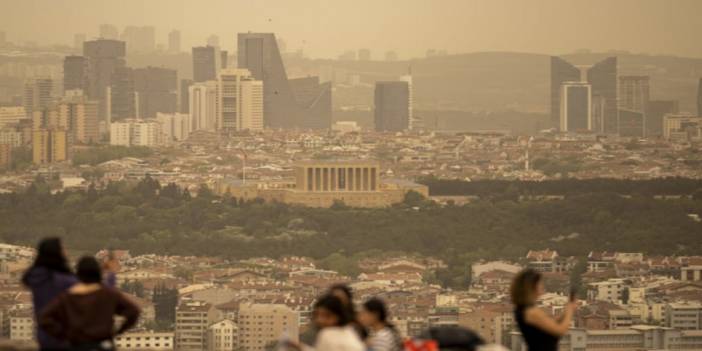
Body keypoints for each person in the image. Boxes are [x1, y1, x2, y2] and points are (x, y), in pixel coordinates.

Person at [22, 238, 118, 351]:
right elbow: (96, 294)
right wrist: (111, 274)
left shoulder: (36, 277)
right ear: (55, 253)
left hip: (44, 335)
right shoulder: (62, 281)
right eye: (62, 249)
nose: (65, 252)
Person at [39, 256, 140, 351]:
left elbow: (44, 318)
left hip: (77, 345)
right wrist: (118, 331)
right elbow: (133, 311)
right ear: (97, 273)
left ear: (78, 274)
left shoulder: (67, 297)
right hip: (102, 344)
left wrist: (63, 335)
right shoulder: (108, 294)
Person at [511, 269, 577, 351]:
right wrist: (570, 311)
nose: (542, 286)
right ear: (532, 287)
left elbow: (549, 324)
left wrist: (565, 312)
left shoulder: (524, 309)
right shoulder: (531, 311)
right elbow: (559, 330)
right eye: (539, 283)